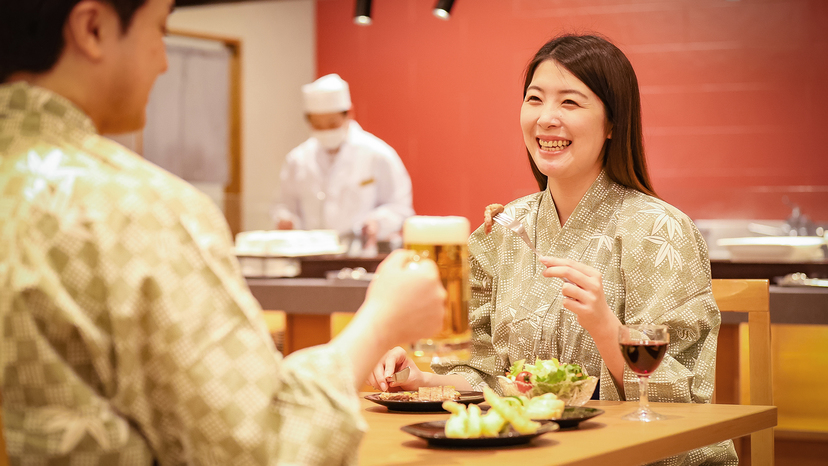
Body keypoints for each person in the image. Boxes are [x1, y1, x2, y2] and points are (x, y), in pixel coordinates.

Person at [0, 1, 446, 464]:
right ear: (92, 28)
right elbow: (265, 447)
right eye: (159, 30)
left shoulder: (378, 154)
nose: (164, 60)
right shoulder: (134, 208)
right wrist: (379, 322)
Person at [368, 34, 736, 465]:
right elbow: (484, 376)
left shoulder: (660, 231)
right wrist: (425, 379)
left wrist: (605, 326)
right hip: (527, 453)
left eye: (570, 103)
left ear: (613, 123)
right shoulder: (501, 229)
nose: (546, 119)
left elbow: (684, 400)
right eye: (535, 99)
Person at [271, 73, 414, 251]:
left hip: (360, 255)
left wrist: (377, 222)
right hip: (309, 254)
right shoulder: (298, 159)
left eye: (332, 124)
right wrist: (286, 219)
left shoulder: (377, 155)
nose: (325, 131)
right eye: (318, 125)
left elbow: (399, 207)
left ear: (349, 114)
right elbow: (284, 205)